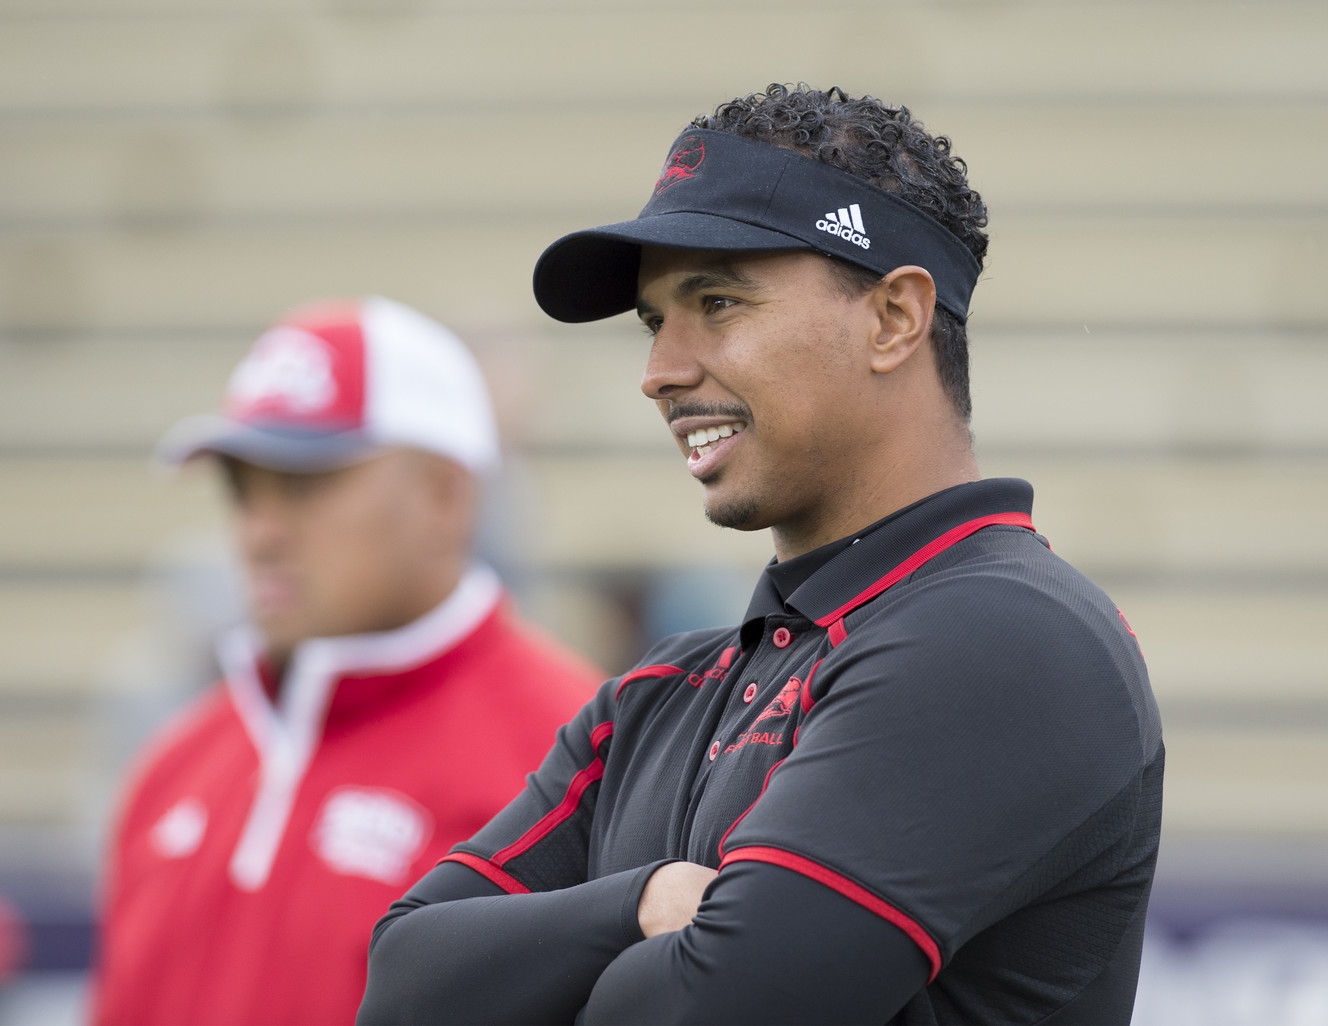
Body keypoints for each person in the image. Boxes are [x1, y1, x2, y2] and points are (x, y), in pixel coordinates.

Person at [357, 85, 1164, 1025]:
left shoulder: (1006, 635)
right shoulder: (658, 692)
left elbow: (701, 1013)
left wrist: (560, 960)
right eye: (657, 321)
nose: (660, 371)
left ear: (894, 319)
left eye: (718, 300)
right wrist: (644, 903)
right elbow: (404, 982)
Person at [92, 295, 601, 1026]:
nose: (258, 532)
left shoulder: (571, 757)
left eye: (304, 482)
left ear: (443, 493)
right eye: (241, 486)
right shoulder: (174, 766)